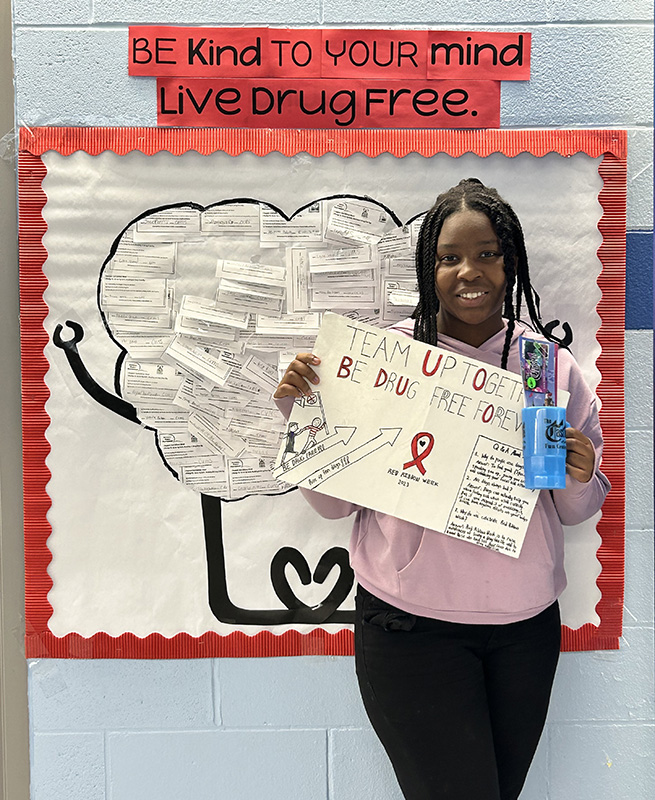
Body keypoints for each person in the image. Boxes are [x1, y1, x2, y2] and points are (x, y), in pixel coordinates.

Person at [273, 179, 610, 800]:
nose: (468, 272)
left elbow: (568, 510)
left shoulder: (544, 367)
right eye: (449, 257)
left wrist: (581, 473)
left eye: (486, 253)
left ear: (511, 262)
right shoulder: (386, 359)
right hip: (412, 630)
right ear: (428, 267)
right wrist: (306, 413)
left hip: (525, 631)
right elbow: (332, 501)